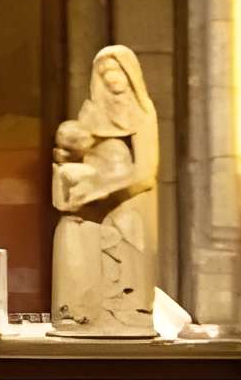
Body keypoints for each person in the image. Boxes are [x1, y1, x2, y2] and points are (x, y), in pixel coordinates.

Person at [51, 46, 160, 334]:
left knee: (127, 259)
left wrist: (103, 191)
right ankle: (83, 312)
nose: (112, 78)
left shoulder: (144, 113)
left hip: (128, 199)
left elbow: (146, 173)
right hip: (91, 200)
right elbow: (76, 148)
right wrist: (67, 163)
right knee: (76, 238)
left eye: (117, 70)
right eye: (104, 72)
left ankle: (128, 311)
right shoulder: (90, 113)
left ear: (130, 73)